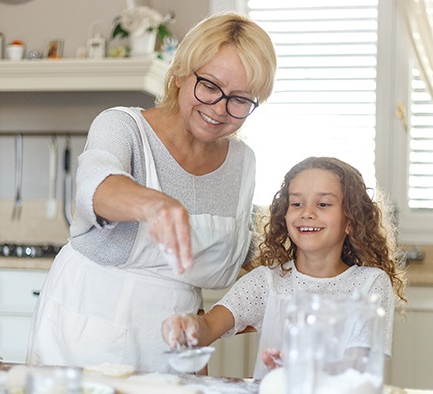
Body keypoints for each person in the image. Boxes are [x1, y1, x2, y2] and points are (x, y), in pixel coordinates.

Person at [26, 12, 277, 372]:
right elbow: (96, 186)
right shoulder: (122, 127)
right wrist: (154, 205)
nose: (220, 108)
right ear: (179, 74)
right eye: (209, 85)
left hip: (174, 347)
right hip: (86, 336)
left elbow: (245, 254)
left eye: (240, 99)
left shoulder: (243, 162)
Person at [162, 156, 408, 379]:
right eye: (297, 204)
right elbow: (208, 328)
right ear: (284, 215)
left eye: (323, 204)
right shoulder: (267, 281)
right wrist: (189, 327)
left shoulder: (370, 284)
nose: (307, 213)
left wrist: (300, 368)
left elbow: (360, 364)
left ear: (351, 222)